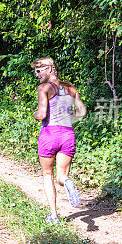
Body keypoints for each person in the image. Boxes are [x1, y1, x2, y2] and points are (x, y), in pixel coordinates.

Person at [32, 57, 87, 225]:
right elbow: (83, 112)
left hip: (49, 134)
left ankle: (54, 216)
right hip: (67, 134)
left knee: (48, 175)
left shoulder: (44, 88)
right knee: (62, 176)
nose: (36, 74)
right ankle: (67, 182)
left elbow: (41, 115)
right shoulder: (70, 88)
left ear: (49, 69)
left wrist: (34, 114)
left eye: (39, 70)